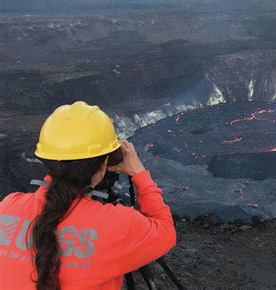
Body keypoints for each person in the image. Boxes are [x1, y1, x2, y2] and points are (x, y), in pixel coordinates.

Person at [0, 101, 176, 289]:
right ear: (104, 162)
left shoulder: (8, 206)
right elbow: (165, 231)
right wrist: (140, 175)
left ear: (47, 160)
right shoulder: (118, 225)